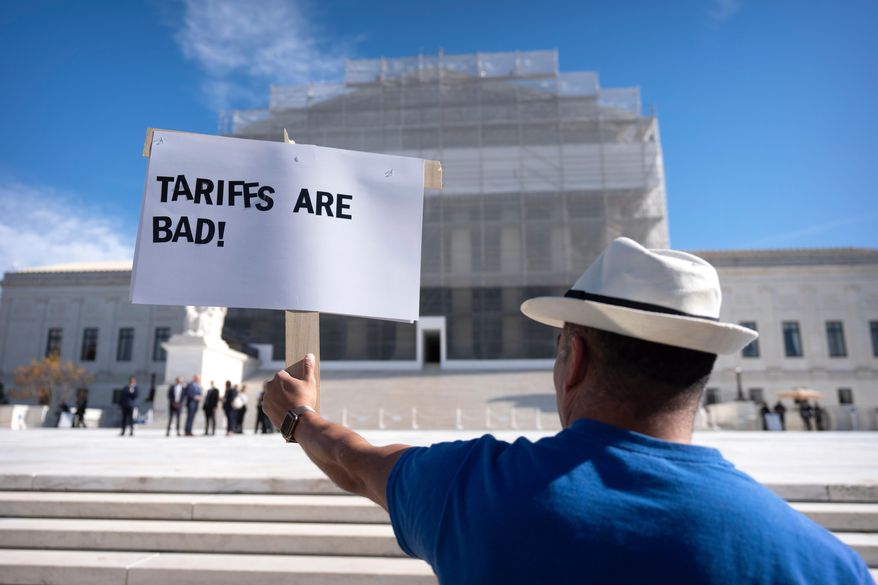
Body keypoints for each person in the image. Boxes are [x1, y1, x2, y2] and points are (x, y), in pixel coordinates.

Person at [263, 237, 871, 584]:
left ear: (574, 357)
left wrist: (300, 417)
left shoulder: (474, 490)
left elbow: (357, 462)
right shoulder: (825, 566)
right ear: (702, 372)